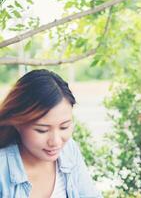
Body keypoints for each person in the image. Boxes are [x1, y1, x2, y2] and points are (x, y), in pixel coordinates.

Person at [0, 69, 102, 198]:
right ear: (17, 123)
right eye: (42, 130)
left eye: (64, 127)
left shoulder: (69, 150)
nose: (56, 142)